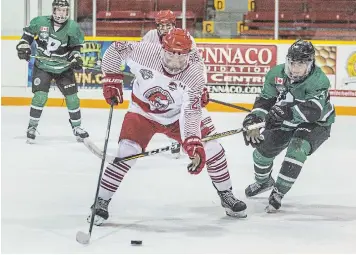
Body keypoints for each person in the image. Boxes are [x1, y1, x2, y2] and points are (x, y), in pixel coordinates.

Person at [87, 28, 247, 225]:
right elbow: (115, 49)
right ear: (163, 48)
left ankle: (226, 194)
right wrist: (111, 78)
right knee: (126, 153)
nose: (175, 62)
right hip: (142, 112)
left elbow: (190, 113)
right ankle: (101, 200)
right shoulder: (146, 52)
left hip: (176, 116)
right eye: (171, 54)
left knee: (213, 148)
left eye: (181, 56)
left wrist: (192, 143)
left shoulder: (194, 74)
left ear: (189, 53)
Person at [242, 39, 335, 212]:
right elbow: (265, 101)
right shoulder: (275, 74)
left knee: (297, 150)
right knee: (261, 153)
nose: (294, 69)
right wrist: (254, 119)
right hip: (287, 119)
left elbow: (313, 111)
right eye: (291, 63)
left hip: (317, 123)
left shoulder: (319, 80)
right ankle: (264, 182)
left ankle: (278, 192)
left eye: (300, 64)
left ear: (310, 64)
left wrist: (284, 112)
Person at [16, 0, 89, 143]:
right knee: (40, 97)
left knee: (73, 98)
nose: (61, 13)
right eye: (59, 10)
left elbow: (76, 47)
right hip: (43, 66)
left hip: (63, 69)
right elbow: (27, 36)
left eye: (64, 10)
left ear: (68, 12)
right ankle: (32, 127)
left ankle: (77, 127)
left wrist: (76, 58)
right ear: (53, 10)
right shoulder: (40, 22)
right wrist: (23, 46)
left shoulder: (73, 27)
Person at [142, 9, 209, 158]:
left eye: (168, 26)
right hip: (158, 80)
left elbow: (197, 64)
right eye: (161, 26)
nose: (164, 29)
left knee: (180, 108)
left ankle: (183, 137)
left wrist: (201, 86)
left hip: (180, 79)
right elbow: (142, 58)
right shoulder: (150, 37)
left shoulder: (185, 38)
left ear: (174, 25)